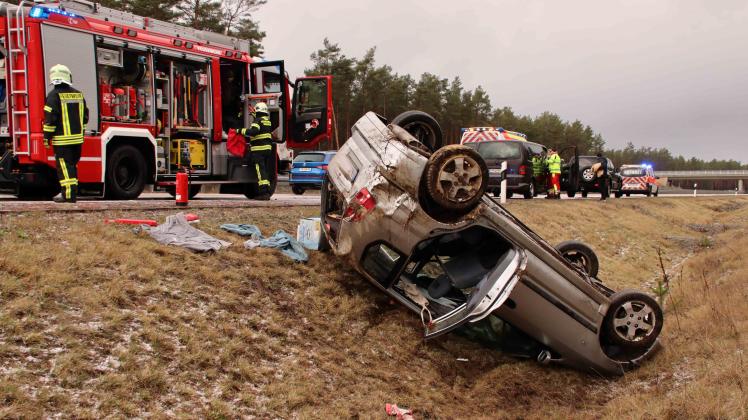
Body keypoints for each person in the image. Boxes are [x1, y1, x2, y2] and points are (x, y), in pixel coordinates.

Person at [43, 64, 88, 203]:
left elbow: (50, 119)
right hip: (77, 140)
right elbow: (85, 117)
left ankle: (67, 195)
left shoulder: (53, 96)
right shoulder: (78, 94)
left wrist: (46, 138)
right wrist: (82, 132)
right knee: (72, 166)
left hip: (62, 141)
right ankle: (72, 193)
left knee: (64, 167)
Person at [238, 102, 273, 200]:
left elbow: (253, 131)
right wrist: (254, 114)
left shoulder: (257, 121)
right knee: (265, 171)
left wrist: (240, 131)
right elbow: (260, 125)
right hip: (267, 149)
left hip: (259, 150)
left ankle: (263, 193)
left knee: (260, 171)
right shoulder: (266, 121)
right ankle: (268, 192)